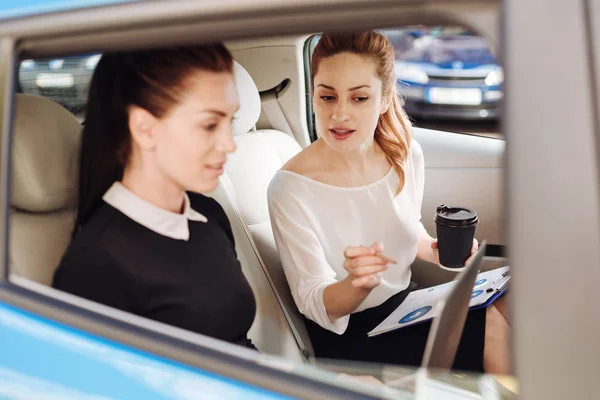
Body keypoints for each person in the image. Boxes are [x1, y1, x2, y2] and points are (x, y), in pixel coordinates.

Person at [267, 31, 510, 373]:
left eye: (359, 98)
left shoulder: (404, 153)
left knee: (514, 299)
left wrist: (433, 249)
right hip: (352, 335)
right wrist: (355, 285)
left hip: (405, 306)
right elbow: (315, 302)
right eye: (327, 97)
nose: (339, 114)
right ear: (313, 95)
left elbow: (409, 232)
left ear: (383, 100)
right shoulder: (290, 188)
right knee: (491, 323)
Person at [52, 45, 258, 349]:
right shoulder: (94, 266)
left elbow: (239, 346)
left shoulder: (207, 214)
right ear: (145, 128)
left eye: (230, 122)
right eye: (210, 125)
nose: (229, 144)